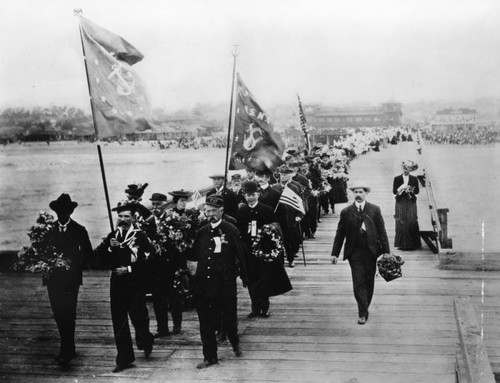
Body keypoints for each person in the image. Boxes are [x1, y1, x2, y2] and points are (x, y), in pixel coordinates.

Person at [188, 194, 247, 369]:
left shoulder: (231, 229)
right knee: (205, 322)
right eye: (207, 211)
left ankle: (234, 342)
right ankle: (210, 357)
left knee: (228, 319)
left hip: (224, 284)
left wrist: (244, 276)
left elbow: (240, 255)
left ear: (222, 211)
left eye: (214, 211)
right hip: (204, 284)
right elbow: (193, 256)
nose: (210, 214)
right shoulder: (201, 231)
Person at [97, 202, 155, 373]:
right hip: (117, 284)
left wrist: (130, 269)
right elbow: (98, 260)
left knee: (138, 317)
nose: (122, 220)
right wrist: (109, 248)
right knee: (119, 321)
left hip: (135, 283)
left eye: (126, 217)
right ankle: (124, 357)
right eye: (120, 217)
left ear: (133, 218)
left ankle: (145, 340)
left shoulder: (140, 236)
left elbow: (150, 260)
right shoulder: (112, 236)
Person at [331, 181, 390, 325]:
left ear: (366, 193)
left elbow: (382, 231)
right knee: (358, 280)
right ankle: (363, 312)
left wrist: (387, 251)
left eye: (360, 192)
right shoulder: (346, 212)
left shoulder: (374, 210)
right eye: (355, 192)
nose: (358, 195)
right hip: (354, 251)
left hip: (371, 250)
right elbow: (340, 233)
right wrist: (334, 253)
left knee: (369, 280)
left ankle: (365, 304)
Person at [45, 193, 93, 367]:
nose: (62, 215)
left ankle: (67, 348)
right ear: (56, 212)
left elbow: (88, 253)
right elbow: (40, 251)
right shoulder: (47, 229)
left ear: (71, 212)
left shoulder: (79, 230)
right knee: (58, 312)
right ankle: (67, 347)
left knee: (69, 312)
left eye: (66, 212)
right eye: (59, 212)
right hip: (52, 279)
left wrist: (74, 265)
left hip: (71, 279)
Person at [236, 181, 291, 318]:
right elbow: (239, 232)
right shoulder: (241, 211)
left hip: (263, 250)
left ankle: (264, 307)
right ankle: (255, 307)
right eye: (248, 195)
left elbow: (274, 229)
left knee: (263, 278)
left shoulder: (266, 210)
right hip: (248, 251)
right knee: (251, 279)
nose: (251, 198)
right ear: (244, 196)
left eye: (253, 195)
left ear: (258, 194)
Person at [393, 160, 421, 250]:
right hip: (400, 202)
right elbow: (394, 191)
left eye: (408, 169)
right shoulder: (397, 178)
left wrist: (411, 190)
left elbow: (417, 191)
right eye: (405, 168)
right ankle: (402, 244)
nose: (406, 170)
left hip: (410, 202)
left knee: (412, 220)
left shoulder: (414, 178)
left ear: (411, 170)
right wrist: (401, 189)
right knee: (401, 220)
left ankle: (413, 243)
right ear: (402, 169)